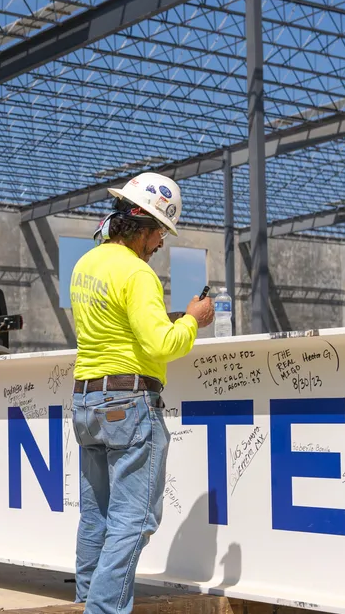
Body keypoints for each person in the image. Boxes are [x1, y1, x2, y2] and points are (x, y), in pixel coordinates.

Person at [68, 172, 214, 614]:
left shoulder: (86, 264)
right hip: (129, 404)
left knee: (96, 517)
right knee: (134, 522)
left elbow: (114, 327)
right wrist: (192, 319)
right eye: (159, 234)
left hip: (86, 401)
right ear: (145, 227)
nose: (160, 245)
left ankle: (84, 602)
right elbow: (160, 345)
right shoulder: (138, 273)